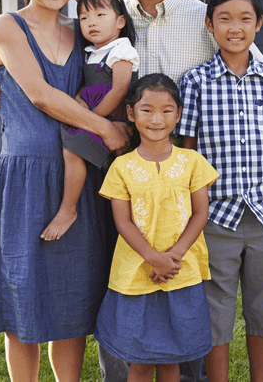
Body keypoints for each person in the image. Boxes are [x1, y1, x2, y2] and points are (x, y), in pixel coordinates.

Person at [0, 0, 263, 381]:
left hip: (179, 177)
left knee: (182, 287)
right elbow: (38, 74)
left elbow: (251, 59)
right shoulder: (103, 16)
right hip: (112, 172)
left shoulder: (204, 18)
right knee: (119, 281)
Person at [0, 0, 130, 382]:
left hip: (77, 177)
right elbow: (41, 95)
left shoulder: (82, 28)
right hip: (26, 176)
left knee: (71, 304)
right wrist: (106, 126)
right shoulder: (7, 25)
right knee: (22, 303)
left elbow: (110, 7)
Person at [178, 0, 263, 382]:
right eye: (224, 19)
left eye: (245, 18)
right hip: (216, 217)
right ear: (210, 26)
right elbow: (189, 152)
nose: (235, 27)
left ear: (258, 25)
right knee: (216, 312)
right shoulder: (196, 82)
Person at [94, 73, 219, 382]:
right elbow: (122, 221)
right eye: (147, 109)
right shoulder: (121, 166)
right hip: (137, 275)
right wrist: (153, 257)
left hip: (181, 272)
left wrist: (172, 257)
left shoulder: (192, 161)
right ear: (131, 113)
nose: (156, 119)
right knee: (139, 361)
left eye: (166, 110)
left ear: (178, 114)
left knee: (171, 359)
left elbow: (200, 214)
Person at [42, 0, 139, 242]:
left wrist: (93, 120)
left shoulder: (122, 50)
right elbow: (88, 84)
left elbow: (119, 90)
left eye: (99, 15)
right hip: (94, 116)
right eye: (83, 17)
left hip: (110, 117)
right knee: (71, 149)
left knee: (72, 150)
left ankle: (68, 208)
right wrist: (77, 99)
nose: (90, 23)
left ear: (120, 21)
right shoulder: (91, 52)